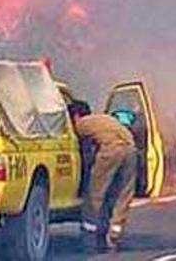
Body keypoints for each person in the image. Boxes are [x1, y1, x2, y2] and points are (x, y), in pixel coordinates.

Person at [68, 100, 137, 252]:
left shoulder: (82, 124)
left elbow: (77, 148)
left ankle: (89, 240)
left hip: (111, 150)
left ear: (75, 116)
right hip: (131, 150)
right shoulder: (104, 119)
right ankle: (114, 238)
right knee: (122, 195)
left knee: (94, 194)